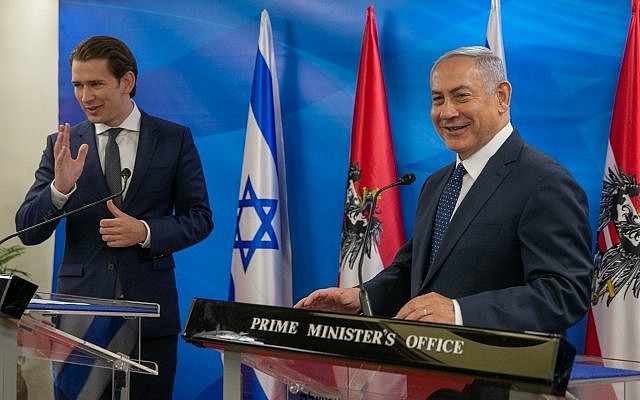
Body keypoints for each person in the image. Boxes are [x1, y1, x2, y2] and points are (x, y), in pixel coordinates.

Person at [295, 46, 593, 334]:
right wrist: (362, 298)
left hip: (503, 381)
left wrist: (460, 312)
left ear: (502, 97)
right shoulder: (437, 184)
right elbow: (414, 271)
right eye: (438, 99)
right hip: (426, 377)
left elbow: (564, 292)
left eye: (461, 97)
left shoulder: (545, 182)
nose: (447, 112)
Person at [16, 36, 213, 399]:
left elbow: (199, 217)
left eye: (95, 84)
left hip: (148, 318)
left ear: (127, 82)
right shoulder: (62, 144)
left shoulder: (174, 139)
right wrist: (59, 190)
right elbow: (27, 230)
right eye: (77, 84)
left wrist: (145, 231)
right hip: (80, 319)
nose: (84, 96)